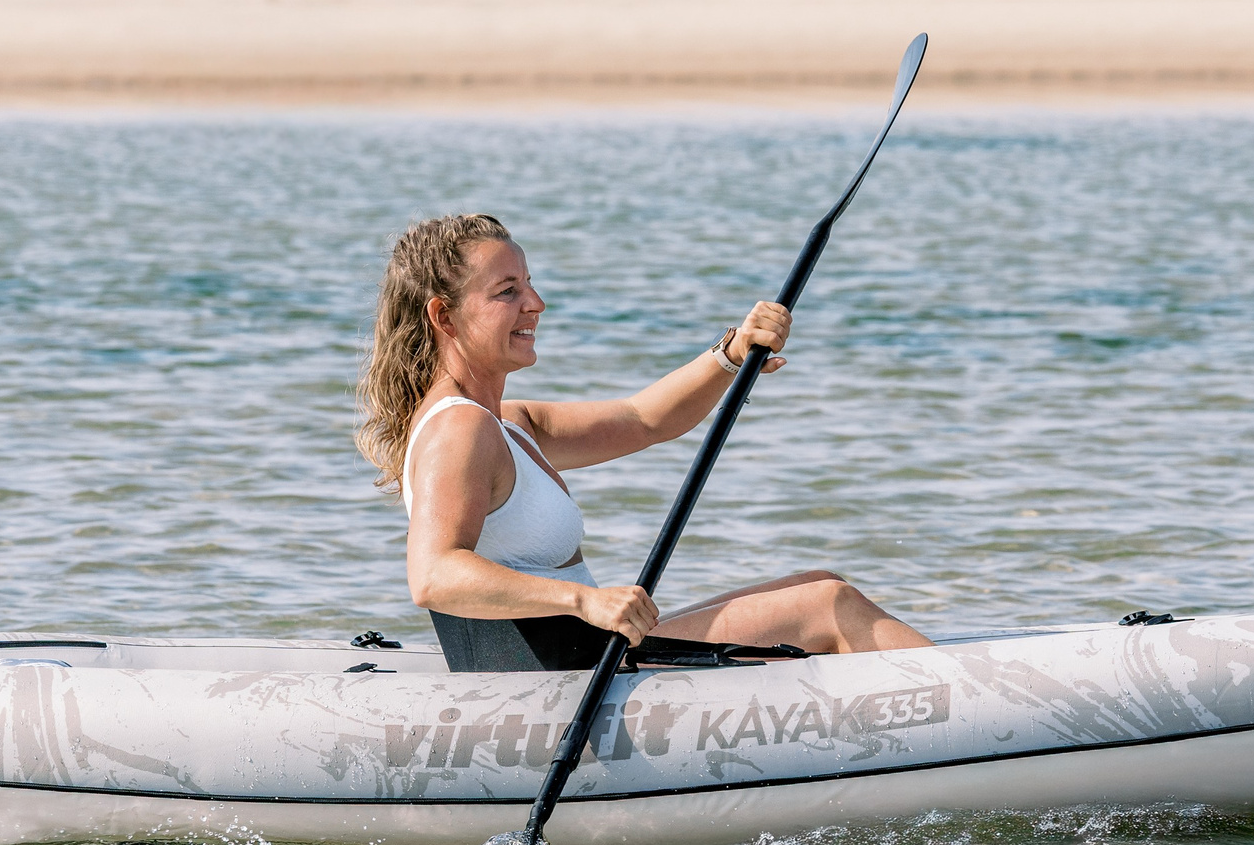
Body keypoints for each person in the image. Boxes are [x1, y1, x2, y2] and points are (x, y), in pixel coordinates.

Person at [357, 213, 930, 667]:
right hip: (568, 678)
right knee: (828, 608)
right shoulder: (460, 429)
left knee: (819, 583)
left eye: (529, 284)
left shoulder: (509, 423)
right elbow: (433, 575)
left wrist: (730, 354)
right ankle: (989, 718)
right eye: (507, 291)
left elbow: (645, 418)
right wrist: (585, 600)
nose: (536, 303)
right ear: (444, 316)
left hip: (594, 653)